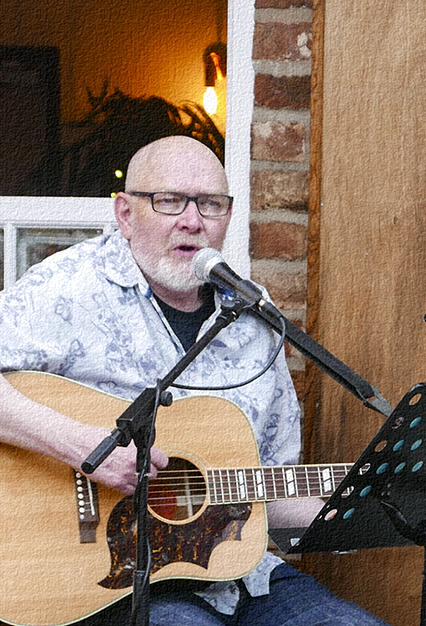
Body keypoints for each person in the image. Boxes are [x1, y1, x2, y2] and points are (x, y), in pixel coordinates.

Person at [0, 136, 388, 625]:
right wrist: (79, 445)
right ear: (124, 213)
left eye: (210, 204)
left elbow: (268, 488)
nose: (193, 220)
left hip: (241, 577)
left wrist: (378, 506)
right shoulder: (67, 288)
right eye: (169, 201)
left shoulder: (254, 318)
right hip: (111, 583)